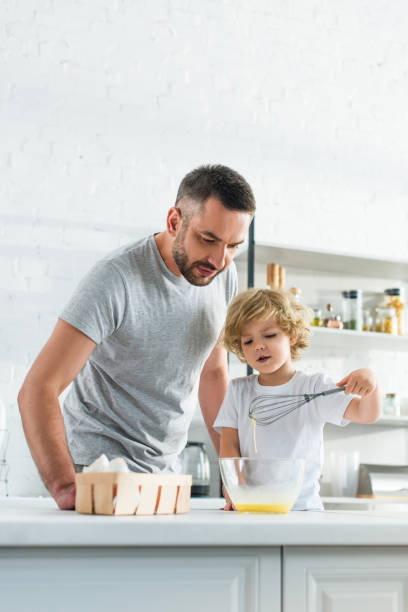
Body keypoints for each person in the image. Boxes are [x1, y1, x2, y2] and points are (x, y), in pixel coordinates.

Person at [18, 164, 255, 510]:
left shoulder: (222, 274)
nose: (220, 259)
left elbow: (214, 373)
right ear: (174, 221)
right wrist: (66, 486)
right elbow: (38, 388)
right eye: (208, 240)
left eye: (233, 246)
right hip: (100, 471)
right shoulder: (116, 279)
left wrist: (233, 477)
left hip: (166, 475)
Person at [214, 288, 381, 511]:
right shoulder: (238, 391)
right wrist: (236, 487)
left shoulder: (314, 387)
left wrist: (371, 382)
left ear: (291, 335)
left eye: (270, 335)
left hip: (303, 510)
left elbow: (367, 414)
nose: (258, 346)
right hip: (252, 508)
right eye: (248, 341)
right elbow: (229, 444)